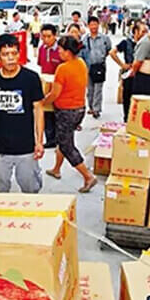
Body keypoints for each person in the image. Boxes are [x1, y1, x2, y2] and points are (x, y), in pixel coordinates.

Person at [0, 34, 45, 193]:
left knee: (31, 188)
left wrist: (39, 141)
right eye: (5, 54)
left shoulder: (31, 78)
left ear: (19, 54)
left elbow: (38, 110)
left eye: (14, 53)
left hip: (26, 146)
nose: (10, 58)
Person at [43, 36, 98, 193]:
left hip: (66, 111)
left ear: (68, 51)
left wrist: (42, 102)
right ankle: (56, 169)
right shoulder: (81, 63)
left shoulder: (63, 68)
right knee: (64, 138)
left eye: (60, 49)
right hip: (79, 109)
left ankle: (88, 176)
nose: (58, 52)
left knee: (66, 146)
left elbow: (55, 94)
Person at [110, 21, 147, 121]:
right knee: (127, 99)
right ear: (136, 31)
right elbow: (112, 52)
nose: (145, 34)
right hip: (130, 75)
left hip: (142, 75)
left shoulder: (146, 43)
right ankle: (127, 120)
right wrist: (122, 65)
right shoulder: (126, 42)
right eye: (143, 31)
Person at [81, 16, 112, 119]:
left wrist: (102, 58)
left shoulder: (104, 38)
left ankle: (96, 109)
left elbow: (109, 49)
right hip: (87, 67)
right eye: (91, 24)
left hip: (100, 66)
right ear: (88, 26)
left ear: (98, 25)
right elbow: (81, 53)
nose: (93, 26)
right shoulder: (84, 39)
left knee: (98, 89)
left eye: (95, 24)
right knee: (90, 89)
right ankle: (91, 106)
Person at [38, 24, 62, 149]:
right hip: (46, 83)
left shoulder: (61, 50)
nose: (46, 39)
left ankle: (59, 138)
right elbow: (41, 65)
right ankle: (50, 139)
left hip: (59, 84)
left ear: (55, 36)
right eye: (44, 37)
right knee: (47, 112)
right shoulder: (42, 49)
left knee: (57, 112)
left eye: (49, 36)